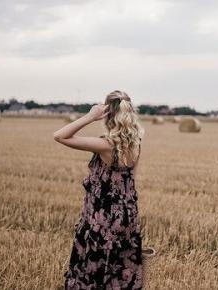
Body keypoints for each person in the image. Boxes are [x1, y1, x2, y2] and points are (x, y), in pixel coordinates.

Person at [53, 90, 145, 289]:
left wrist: (89, 116)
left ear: (107, 113)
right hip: (127, 216)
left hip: (103, 217)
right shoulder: (136, 143)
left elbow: (59, 136)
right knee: (120, 266)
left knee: (95, 266)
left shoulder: (106, 145)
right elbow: (131, 183)